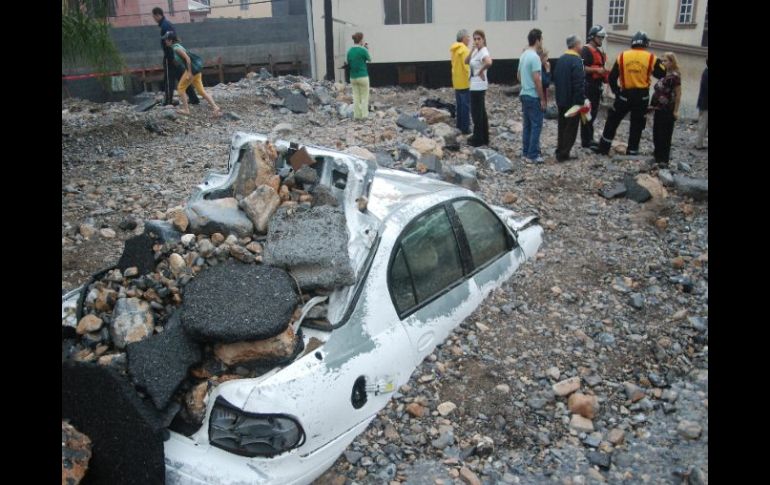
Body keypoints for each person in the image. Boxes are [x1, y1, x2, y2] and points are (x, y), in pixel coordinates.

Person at [592, 31, 665, 156]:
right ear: (645, 44)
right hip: (642, 96)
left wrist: (617, 91)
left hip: (625, 94)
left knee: (613, 120)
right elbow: (662, 74)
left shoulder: (622, 56)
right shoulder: (652, 57)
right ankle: (632, 150)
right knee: (637, 123)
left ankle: (603, 148)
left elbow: (612, 77)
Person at [162, 32, 221, 117]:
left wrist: (189, 72)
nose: (165, 41)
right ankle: (215, 107)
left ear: (170, 40)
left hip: (191, 71)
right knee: (201, 91)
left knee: (180, 88)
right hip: (196, 71)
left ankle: (186, 110)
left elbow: (188, 59)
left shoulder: (176, 49)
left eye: (166, 40)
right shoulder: (177, 46)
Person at [152, 7, 199, 106]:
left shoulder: (165, 26)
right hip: (175, 56)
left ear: (158, 15)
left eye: (154, 16)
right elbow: (176, 39)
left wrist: (171, 58)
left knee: (169, 80)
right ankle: (194, 99)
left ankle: (168, 101)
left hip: (171, 57)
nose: (154, 18)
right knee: (183, 77)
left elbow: (168, 43)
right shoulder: (168, 24)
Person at [554, 35, 586, 162]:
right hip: (572, 100)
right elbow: (579, 83)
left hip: (561, 98)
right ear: (575, 45)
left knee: (562, 126)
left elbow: (556, 78)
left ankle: (560, 149)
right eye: (580, 44)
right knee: (571, 128)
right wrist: (580, 101)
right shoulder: (577, 61)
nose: (582, 46)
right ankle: (564, 153)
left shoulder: (561, 59)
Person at [517, 29, 546, 163]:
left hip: (523, 93)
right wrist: (542, 98)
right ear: (537, 40)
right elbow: (537, 79)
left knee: (527, 125)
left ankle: (525, 151)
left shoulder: (523, 55)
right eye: (541, 40)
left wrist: (525, 82)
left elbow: (518, 75)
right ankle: (532, 154)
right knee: (536, 125)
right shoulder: (535, 57)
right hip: (533, 95)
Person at [649, 52, 682, 167]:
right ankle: (657, 156)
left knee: (665, 134)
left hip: (667, 109)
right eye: (663, 61)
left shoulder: (675, 76)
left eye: (666, 61)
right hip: (658, 108)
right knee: (656, 132)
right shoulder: (664, 74)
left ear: (672, 62)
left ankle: (663, 159)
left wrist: (676, 111)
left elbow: (678, 94)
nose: (663, 63)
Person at [580, 25, 608, 149]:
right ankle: (586, 140)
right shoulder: (586, 50)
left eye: (602, 38)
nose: (601, 40)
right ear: (593, 37)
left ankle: (589, 138)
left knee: (594, 113)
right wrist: (596, 70)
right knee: (588, 113)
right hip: (589, 86)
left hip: (596, 86)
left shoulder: (599, 51)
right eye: (599, 37)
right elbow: (582, 67)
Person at [465, 30, 492, 147]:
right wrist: (472, 49)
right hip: (474, 85)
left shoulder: (484, 51)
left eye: (479, 39)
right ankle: (484, 137)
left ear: (483, 39)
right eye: (475, 39)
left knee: (476, 113)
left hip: (478, 86)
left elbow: (489, 62)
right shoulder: (477, 51)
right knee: (481, 112)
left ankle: (478, 138)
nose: (476, 41)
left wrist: (481, 71)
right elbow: (466, 61)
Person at [450, 30, 472, 134]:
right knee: (465, 105)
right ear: (463, 38)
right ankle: (465, 128)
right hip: (464, 81)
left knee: (459, 105)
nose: (469, 39)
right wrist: (471, 77)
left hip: (457, 81)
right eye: (468, 37)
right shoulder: (464, 50)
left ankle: (459, 125)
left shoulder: (454, 49)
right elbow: (466, 66)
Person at [347, 32, 371, 120]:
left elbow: (347, 62)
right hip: (363, 75)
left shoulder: (349, 51)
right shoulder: (363, 50)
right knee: (364, 96)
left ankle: (357, 115)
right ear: (361, 40)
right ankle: (364, 115)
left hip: (353, 76)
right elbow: (370, 59)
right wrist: (366, 48)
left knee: (356, 97)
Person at [695, 58, 708, 149]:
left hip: (704, 103)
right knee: (703, 125)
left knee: (703, 124)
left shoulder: (705, 72)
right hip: (706, 103)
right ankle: (698, 144)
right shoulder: (707, 74)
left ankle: (699, 143)